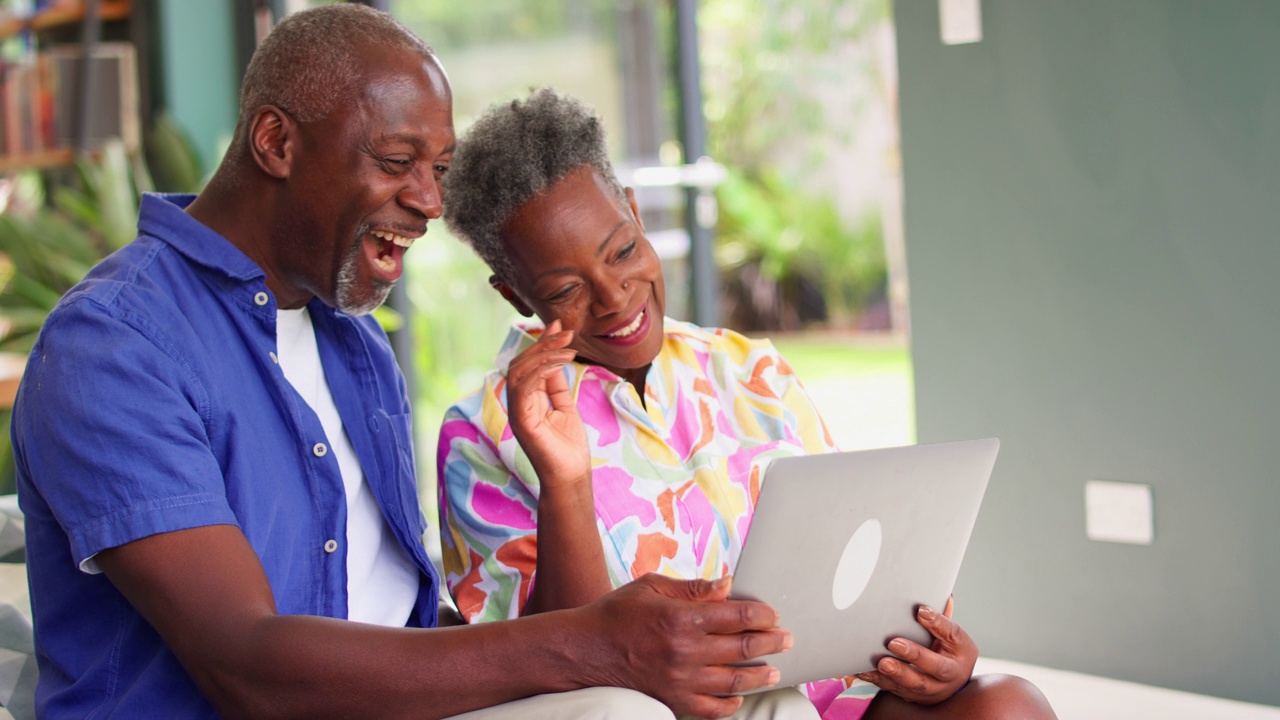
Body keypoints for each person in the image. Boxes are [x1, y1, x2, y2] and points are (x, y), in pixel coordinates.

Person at [10, 7, 807, 719]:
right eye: (397, 162)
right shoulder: (116, 347)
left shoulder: (351, 342)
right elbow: (245, 664)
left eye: (439, 168)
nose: (430, 201)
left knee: (761, 691)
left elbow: (402, 622)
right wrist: (593, 646)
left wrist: (623, 638)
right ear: (276, 142)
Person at [435, 88, 1059, 720]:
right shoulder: (480, 437)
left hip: (823, 701)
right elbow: (550, 672)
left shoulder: (748, 367)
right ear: (515, 294)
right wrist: (565, 480)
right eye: (567, 288)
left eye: (622, 251)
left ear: (635, 213)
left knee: (1007, 705)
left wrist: (927, 651)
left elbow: (859, 561)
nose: (615, 296)